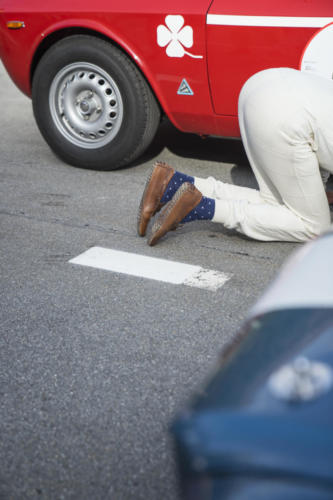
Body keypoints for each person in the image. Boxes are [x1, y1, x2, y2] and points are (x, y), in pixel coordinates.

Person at [137, 67, 333, 246]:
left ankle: (173, 183)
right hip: (288, 117)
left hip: (263, 85)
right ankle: (199, 207)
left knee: (275, 204)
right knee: (314, 227)